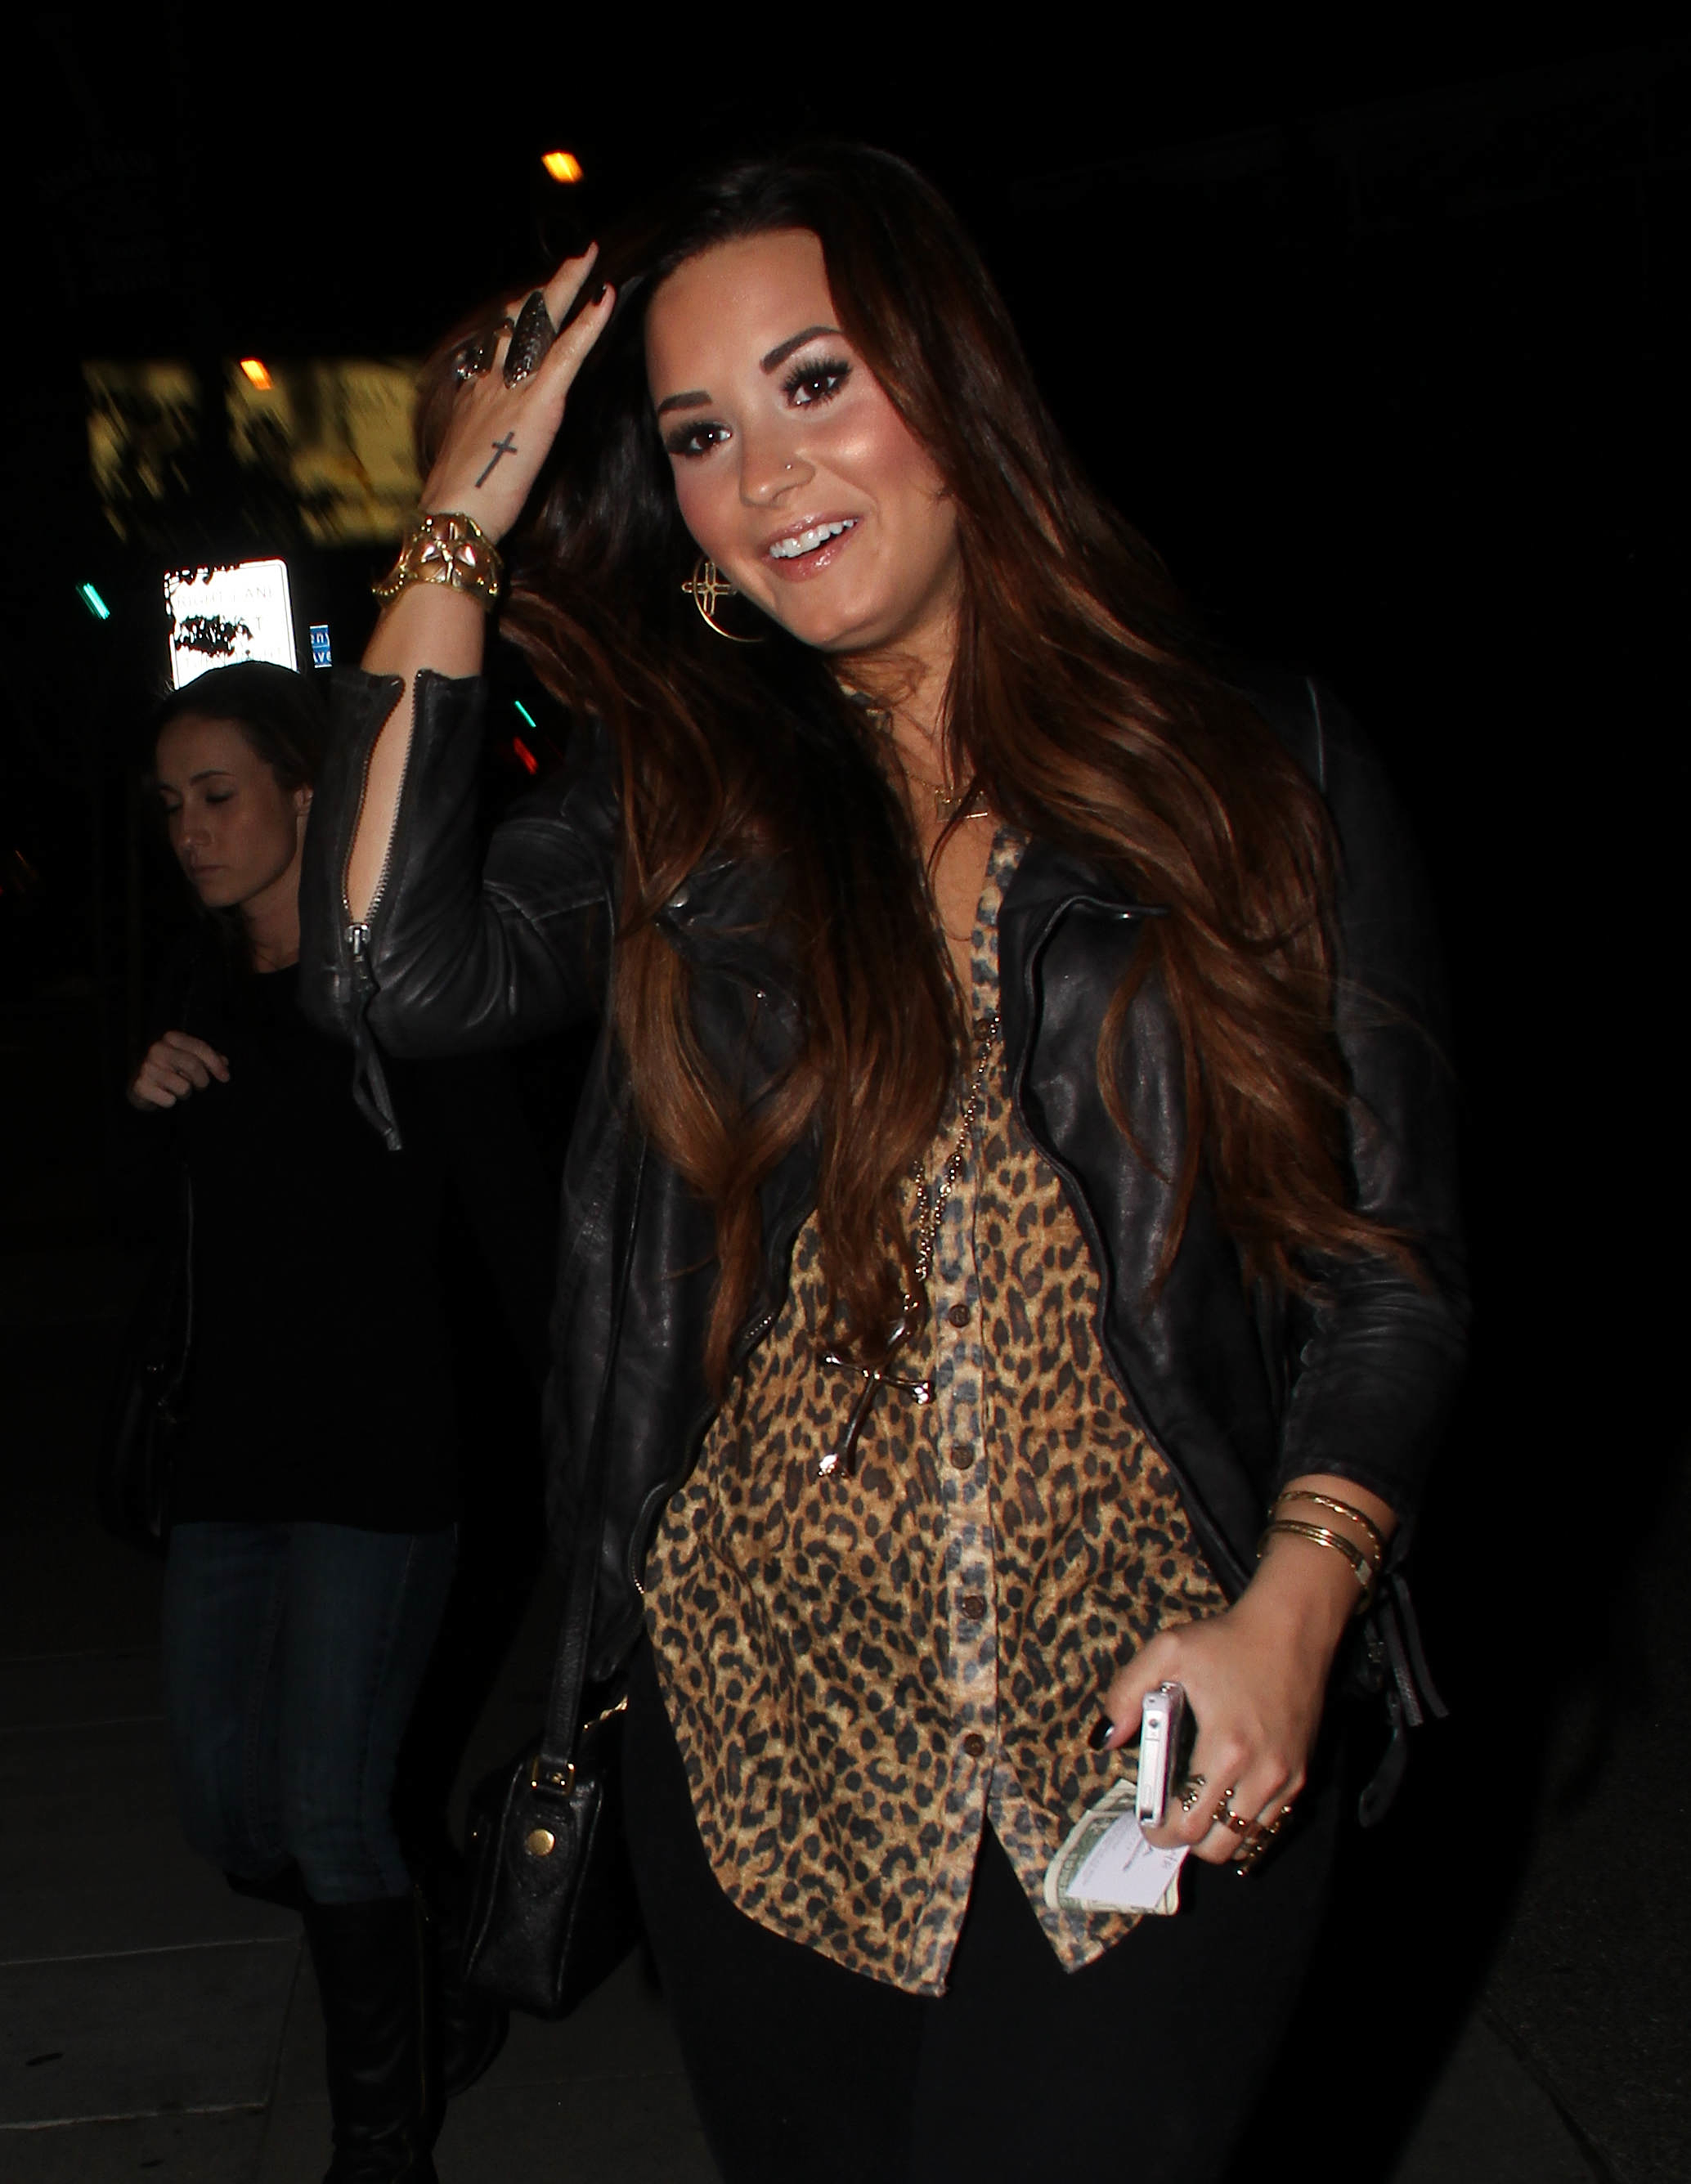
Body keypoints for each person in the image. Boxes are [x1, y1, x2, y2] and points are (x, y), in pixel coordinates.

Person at [300, 144, 1467, 2184]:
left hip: (1152, 1731)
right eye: (696, 434)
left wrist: (1296, 1603)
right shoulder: (691, 804)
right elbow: (383, 964)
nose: (765, 475)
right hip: (761, 1755)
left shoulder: (1249, 762)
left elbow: (1386, 1271)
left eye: (816, 381)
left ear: (955, 385)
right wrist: (464, 506)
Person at [128, 661, 531, 2184]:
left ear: (308, 795)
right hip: (228, 1463)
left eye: (218, 795)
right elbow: (163, 1246)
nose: (190, 829)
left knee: (332, 1811)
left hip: (383, 1460)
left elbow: (519, 1228)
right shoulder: (192, 989)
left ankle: (382, 2149)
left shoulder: (405, 991)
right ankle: (437, 1958)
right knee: (232, 1817)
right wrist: (146, 1113)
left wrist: (592, 1449)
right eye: (171, 805)